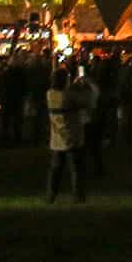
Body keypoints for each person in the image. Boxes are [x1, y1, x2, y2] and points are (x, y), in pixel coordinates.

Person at [45, 69, 85, 204]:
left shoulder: (50, 94)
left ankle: (51, 194)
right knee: (76, 168)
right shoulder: (68, 96)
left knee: (55, 168)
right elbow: (83, 102)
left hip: (56, 136)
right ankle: (77, 195)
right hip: (71, 134)